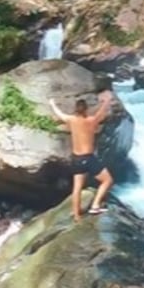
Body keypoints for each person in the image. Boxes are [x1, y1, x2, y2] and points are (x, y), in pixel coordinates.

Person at [48, 90, 115, 220]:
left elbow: (60, 114)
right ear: (86, 110)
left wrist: (52, 104)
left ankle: (77, 215)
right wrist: (106, 100)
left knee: (77, 188)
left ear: (76, 110)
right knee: (108, 180)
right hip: (88, 159)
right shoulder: (91, 121)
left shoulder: (71, 120)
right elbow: (102, 112)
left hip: (76, 159)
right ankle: (95, 205)